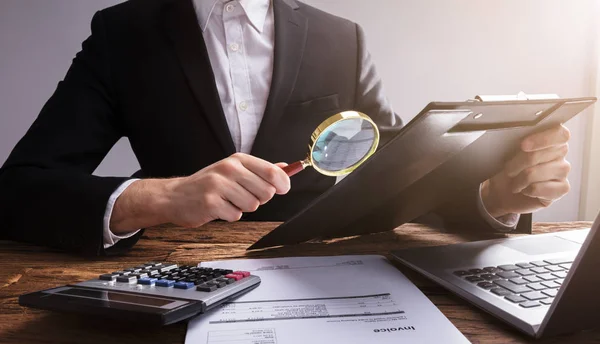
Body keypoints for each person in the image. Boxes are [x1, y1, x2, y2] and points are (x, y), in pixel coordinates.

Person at [0, 0, 571, 256]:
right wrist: (163, 196)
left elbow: (398, 173)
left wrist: (493, 196)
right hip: (169, 279)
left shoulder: (342, 37)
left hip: (324, 271)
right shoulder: (122, 33)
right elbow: (19, 188)